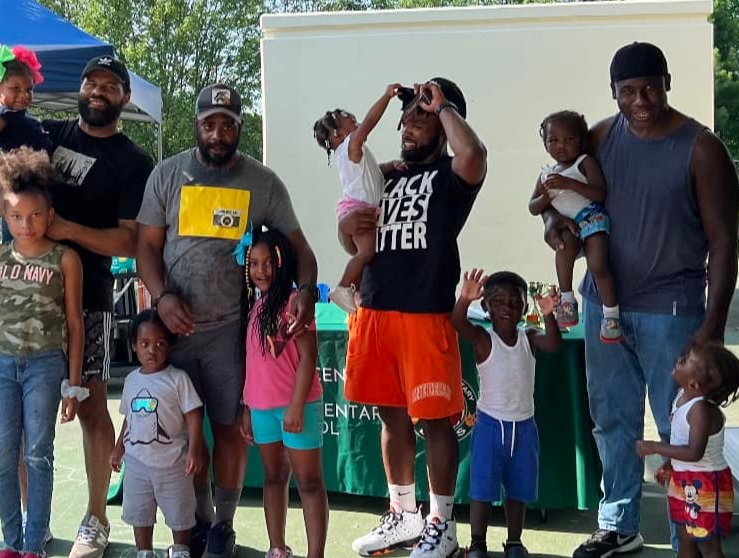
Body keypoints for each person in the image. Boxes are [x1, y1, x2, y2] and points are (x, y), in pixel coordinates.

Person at [537, 43, 739, 558]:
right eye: (628, 91)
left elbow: (724, 243)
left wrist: (712, 324)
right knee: (610, 419)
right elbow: (567, 201)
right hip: (603, 303)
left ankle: (686, 536)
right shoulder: (600, 136)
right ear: (613, 93)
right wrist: (557, 229)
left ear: (667, 81)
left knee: (679, 425)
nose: (640, 99)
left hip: (672, 311)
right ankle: (619, 523)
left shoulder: (701, 148)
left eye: (649, 87)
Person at [136, 82, 319, 558]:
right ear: (197, 124)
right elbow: (146, 248)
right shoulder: (168, 175)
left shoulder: (264, 183)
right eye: (209, 123)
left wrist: (303, 291)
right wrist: (162, 297)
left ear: (240, 128)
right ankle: (194, 521)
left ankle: (223, 524)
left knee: (226, 429)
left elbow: (301, 250)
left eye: (228, 125)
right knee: (179, 430)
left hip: (231, 333)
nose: (218, 133)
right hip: (172, 332)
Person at [339, 78, 487, 558]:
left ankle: (442, 525)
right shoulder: (386, 174)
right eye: (407, 115)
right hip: (375, 310)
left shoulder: (451, 174)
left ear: (444, 125)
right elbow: (352, 233)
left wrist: (440, 104)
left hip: (425, 313)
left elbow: (475, 155)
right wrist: (346, 229)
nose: (408, 122)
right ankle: (403, 514)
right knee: (390, 415)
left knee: (437, 421)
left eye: (422, 115)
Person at [41, 55, 154, 558]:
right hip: (29, 298)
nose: (99, 90)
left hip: (90, 299)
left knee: (89, 404)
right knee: (28, 411)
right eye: (91, 82)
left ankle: (95, 519)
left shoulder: (134, 162)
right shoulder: (48, 134)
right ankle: (31, 523)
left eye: (111, 85)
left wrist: (66, 231)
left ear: (124, 98)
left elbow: (130, 242)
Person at [0, 147, 87, 558]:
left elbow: (75, 324)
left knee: (38, 455)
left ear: (50, 215)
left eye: (35, 216)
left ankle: (33, 544)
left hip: (44, 366)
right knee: (2, 459)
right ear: (5, 215)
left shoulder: (66, 259)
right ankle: (11, 542)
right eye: (16, 216)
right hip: (1, 367)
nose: (26, 224)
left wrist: (72, 386)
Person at [451, 269, 563, 558]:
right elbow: (456, 322)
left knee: (519, 489)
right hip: (490, 427)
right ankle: (477, 543)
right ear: (486, 306)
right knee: (482, 489)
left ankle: (514, 541)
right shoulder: (483, 339)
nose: (507, 308)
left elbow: (553, 344)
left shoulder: (530, 336)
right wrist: (464, 298)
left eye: (515, 302)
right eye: (498, 301)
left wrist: (549, 313)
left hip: (524, 428)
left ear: (525, 307)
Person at [238, 229, 329, 558]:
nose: (260, 270)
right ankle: (277, 547)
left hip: (297, 408)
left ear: (282, 264)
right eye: (254, 263)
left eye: (268, 263)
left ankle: (314, 553)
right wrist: (247, 408)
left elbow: (309, 356)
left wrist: (295, 407)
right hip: (261, 410)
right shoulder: (253, 306)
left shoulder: (294, 303)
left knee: (308, 482)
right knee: (274, 477)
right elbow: (253, 363)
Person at [636, 342, 739, 558]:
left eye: (685, 360)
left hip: (706, 484)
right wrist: (670, 464)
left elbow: (695, 452)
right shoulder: (682, 397)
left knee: (707, 543)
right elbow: (681, 441)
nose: (679, 359)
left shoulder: (701, 410)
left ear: (694, 383)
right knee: (685, 534)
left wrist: (655, 447)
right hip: (685, 480)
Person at [111, 310, 205, 558]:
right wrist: (119, 446)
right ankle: (145, 552)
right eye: (145, 344)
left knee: (179, 512)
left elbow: (194, 414)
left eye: (160, 344)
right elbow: (128, 417)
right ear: (134, 346)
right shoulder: (131, 380)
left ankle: (181, 550)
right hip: (137, 464)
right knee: (139, 512)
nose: (152, 350)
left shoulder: (177, 379)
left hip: (174, 464)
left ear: (170, 347)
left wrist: (194, 448)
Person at [311, 83, 410, 314]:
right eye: (345, 117)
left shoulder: (353, 155)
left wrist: (390, 166)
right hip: (360, 210)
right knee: (366, 253)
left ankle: (353, 288)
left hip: (360, 207)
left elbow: (372, 174)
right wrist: (386, 97)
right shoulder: (350, 145)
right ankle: (344, 287)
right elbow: (369, 122)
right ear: (337, 133)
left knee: (367, 253)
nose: (351, 117)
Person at [527, 110, 618, 340]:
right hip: (568, 225)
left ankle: (611, 314)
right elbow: (533, 207)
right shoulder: (546, 174)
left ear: (582, 141)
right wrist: (546, 197)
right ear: (545, 144)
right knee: (563, 248)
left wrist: (568, 183)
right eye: (553, 140)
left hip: (591, 217)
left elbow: (599, 193)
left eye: (569, 139)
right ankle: (567, 300)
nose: (561, 146)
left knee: (598, 264)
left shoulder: (583, 163)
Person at [0, 44, 52, 164]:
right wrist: (6, 170)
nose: (25, 95)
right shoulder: (3, 115)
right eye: (16, 88)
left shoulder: (18, 114)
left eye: (29, 89)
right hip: (25, 180)